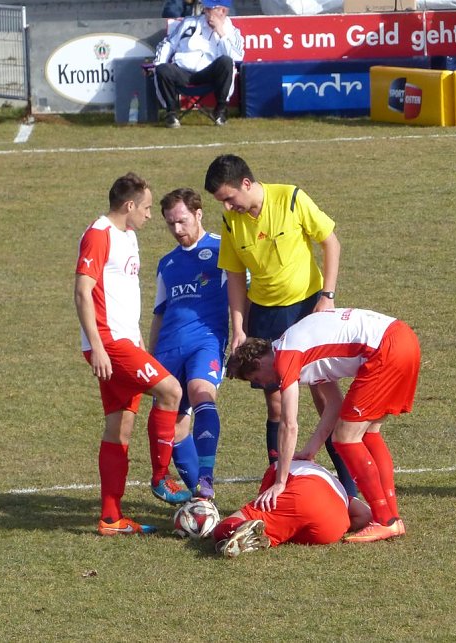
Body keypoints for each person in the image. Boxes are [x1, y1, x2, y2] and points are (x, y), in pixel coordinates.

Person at [204, 153, 359, 500]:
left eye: (230, 198)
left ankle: (351, 488)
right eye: (222, 202)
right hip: (265, 316)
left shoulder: (290, 198)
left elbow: (330, 241)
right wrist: (239, 327)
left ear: (247, 183)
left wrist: (327, 295)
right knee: (275, 404)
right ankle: (281, 480)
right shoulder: (231, 222)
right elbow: (233, 277)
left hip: (308, 307)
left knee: (323, 396)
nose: (228, 206)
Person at [225, 307, 421, 543]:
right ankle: (392, 518)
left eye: (257, 379)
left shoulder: (286, 356)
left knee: (346, 438)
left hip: (386, 349)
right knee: (368, 433)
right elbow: (334, 405)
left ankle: (383, 521)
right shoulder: (298, 350)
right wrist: (311, 450)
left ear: (258, 362)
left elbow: (289, 424)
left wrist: (281, 481)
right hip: (403, 339)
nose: (264, 384)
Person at [74, 173, 192, 537]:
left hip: (125, 340)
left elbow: (122, 292)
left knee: (119, 427)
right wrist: (97, 347)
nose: (149, 215)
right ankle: (161, 477)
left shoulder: (128, 236)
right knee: (171, 390)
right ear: (128, 206)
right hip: (109, 344)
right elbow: (82, 292)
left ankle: (110, 518)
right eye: (144, 207)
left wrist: (138, 336)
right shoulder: (99, 235)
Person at [149, 188, 229, 500]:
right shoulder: (166, 263)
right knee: (178, 429)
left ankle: (206, 482)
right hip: (168, 349)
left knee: (202, 393)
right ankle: (201, 497)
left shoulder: (224, 249)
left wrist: (244, 334)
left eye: (182, 221)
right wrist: (150, 359)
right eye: (171, 224)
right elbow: (160, 313)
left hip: (206, 342)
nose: (177, 230)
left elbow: (245, 294)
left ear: (198, 214)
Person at [213, 459, 373, 558]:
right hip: (333, 527)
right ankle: (264, 536)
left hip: (303, 496)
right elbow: (365, 514)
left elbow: (266, 499)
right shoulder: (336, 485)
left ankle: (238, 530)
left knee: (221, 530)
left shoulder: (276, 467)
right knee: (290, 528)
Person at [152, 0, 244, 128]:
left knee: (227, 62)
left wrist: (221, 33)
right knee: (162, 69)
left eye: (208, 9)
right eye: (204, 8)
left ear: (222, 11)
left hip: (208, 73)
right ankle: (171, 112)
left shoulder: (232, 32)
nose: (204, 11)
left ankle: (220, 111)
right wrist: (158, 62)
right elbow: (168, 43)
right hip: (183, 70)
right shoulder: (189, 22)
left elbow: (237, 57)